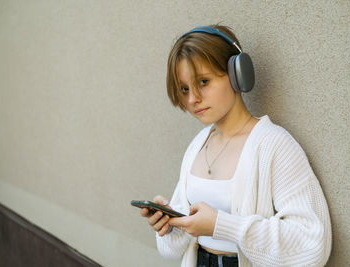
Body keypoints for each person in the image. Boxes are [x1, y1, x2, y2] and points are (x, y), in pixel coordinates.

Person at [139, 25, 332, 267]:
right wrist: (169, 227)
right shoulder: (197, 145)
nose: (192, 99)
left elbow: (312, 245)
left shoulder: (274, 145)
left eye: (204, 82)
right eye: (185, 89)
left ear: (237, 73)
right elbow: (173, 250)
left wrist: (222, 225)